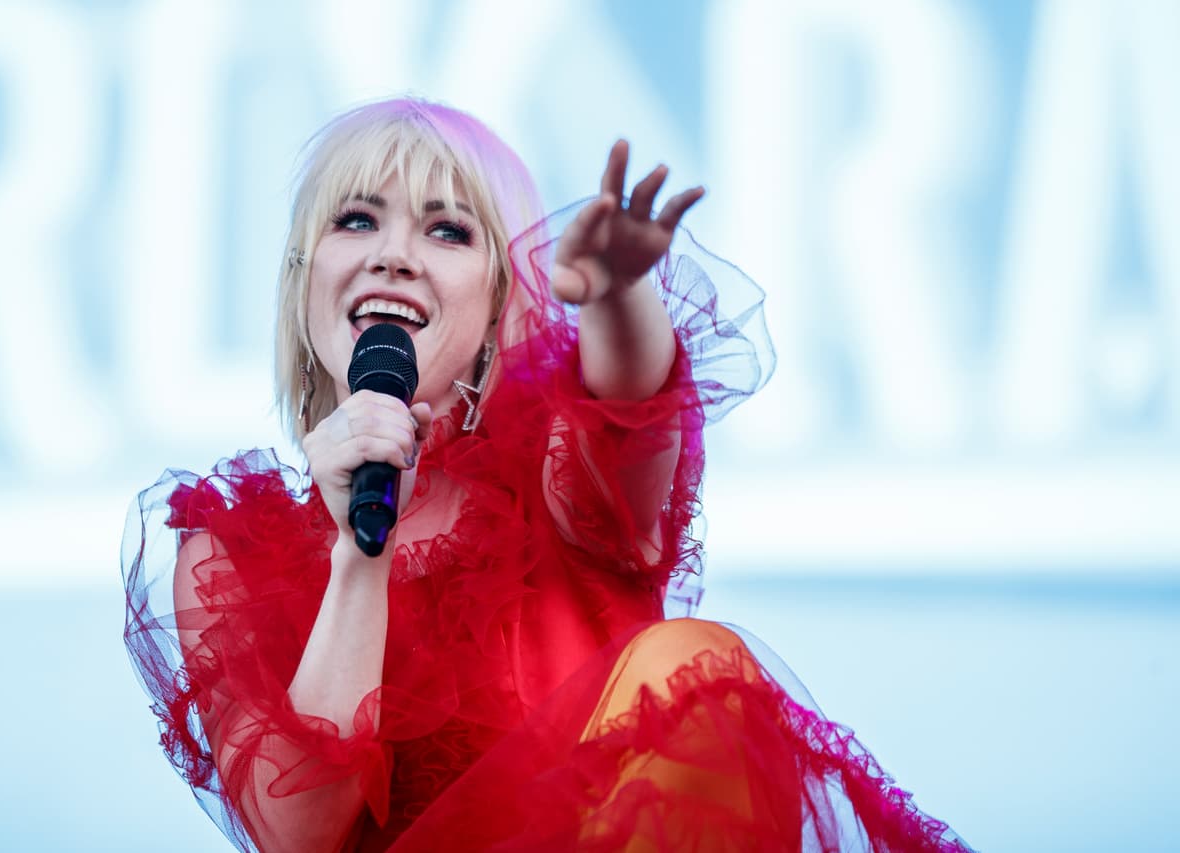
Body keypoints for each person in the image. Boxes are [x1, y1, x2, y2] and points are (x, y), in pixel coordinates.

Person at [123, 97, 970, 852]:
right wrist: (359, 552)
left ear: (498, 306)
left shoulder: (551, 474)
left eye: (448, 230)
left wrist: (617, 294)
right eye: (356, 220)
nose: (394, 256)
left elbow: (626, 416)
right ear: (304, 285)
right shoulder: (230, 557)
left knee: (694, 662)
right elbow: (298, 838)